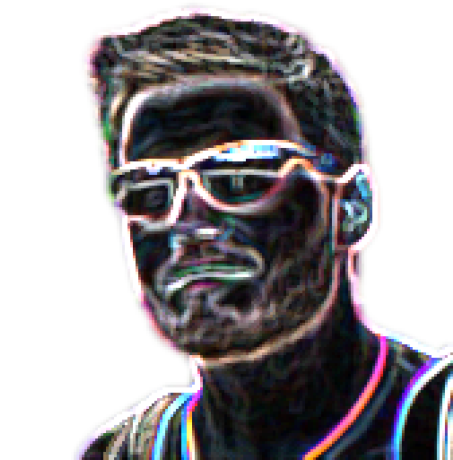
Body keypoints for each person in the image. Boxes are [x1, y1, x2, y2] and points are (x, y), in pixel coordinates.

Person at [82, 13, 452, 459]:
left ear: (349, 207)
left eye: (240, 179)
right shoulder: (127, 453)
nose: (188, 224)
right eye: (149, 193)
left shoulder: (438, 428)